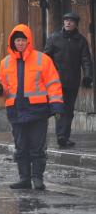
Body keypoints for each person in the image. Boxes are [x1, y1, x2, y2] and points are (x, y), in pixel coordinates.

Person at [0, 24, 63, 190]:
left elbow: (53, 84)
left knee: (37, 147)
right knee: (21, 147)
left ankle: (37, 178)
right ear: (13, 42)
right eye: (17, 40)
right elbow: (1, 84)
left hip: (37, 111)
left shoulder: (42, 59)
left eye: (23, 40)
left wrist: (57, 106)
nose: (20, 43)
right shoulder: (5, 62)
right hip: (15, 110)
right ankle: (24, 178)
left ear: (28, 41)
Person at [44, 12, 93, 148]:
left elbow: (86, 60)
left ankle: (64, 136)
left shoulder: (81, 40)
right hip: (55, 81)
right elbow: (45, 58)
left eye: (71, 21)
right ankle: (61, 135)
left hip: (72, 81)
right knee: (59, 109)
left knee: (69, 110)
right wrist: (49, 74)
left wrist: (88, 76)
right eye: (66, 20)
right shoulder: (54, 38)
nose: (68, 23)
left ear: (76, 24)